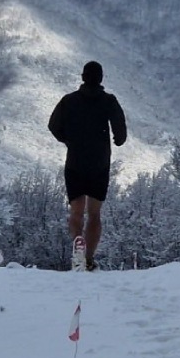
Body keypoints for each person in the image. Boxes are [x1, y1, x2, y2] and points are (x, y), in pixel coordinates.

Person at [48, 61, 127, 270]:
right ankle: (89, 258)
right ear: (101, 79)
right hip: (99, 163)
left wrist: (69, 140)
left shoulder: (69, 100)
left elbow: (53, 126)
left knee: (76, 211)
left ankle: (77, 247)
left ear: (83, 77)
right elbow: (120, 130)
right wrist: (117, 140)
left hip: (75, 160)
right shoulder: (108, 101)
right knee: (94, 214)